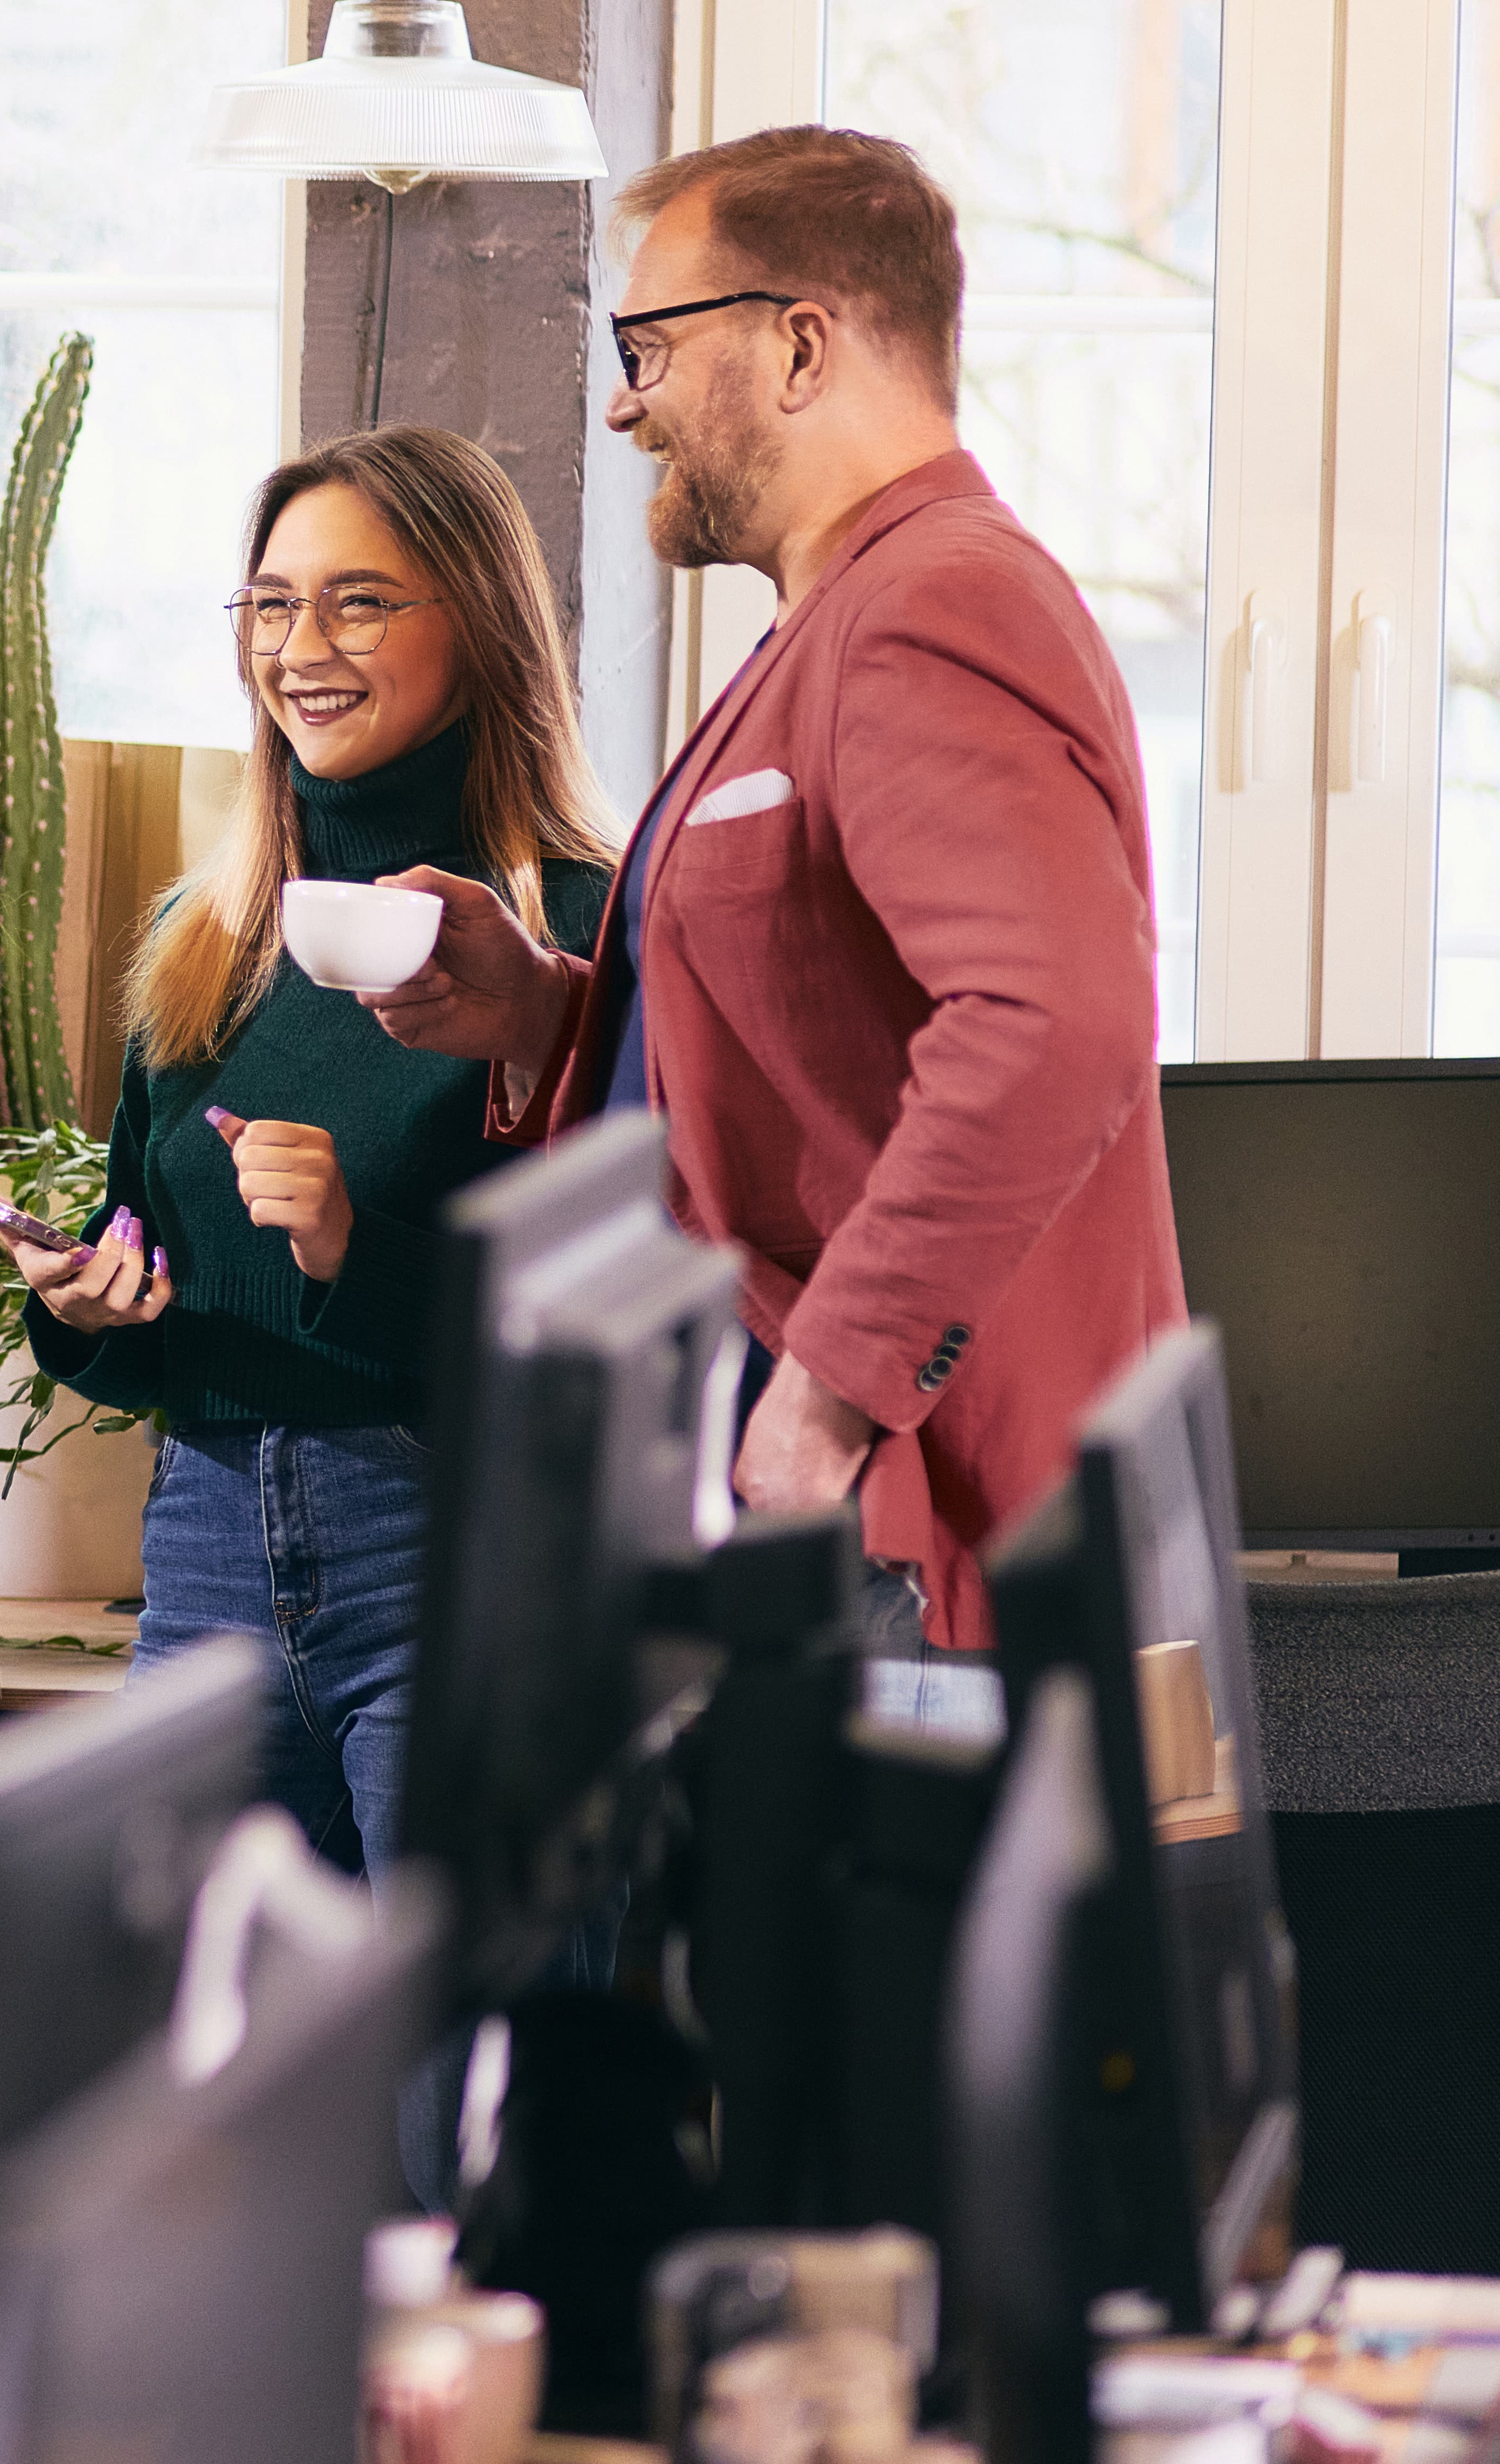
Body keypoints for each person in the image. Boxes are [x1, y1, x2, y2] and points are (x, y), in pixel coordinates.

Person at [360, 126, 1182, 1651]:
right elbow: (802, 1038)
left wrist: (829, 1394)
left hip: (893, 1528)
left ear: (800, 344)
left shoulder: (936, 603)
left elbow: (1055, 1025)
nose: (624, 401)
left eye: (650, 344)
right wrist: (544, 1017)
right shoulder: (841, 613)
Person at [10, 425, 614, 1890]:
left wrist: (359, 1258)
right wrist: (87, 1304)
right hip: (209, 1542)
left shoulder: (579, 942)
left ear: (475, 620)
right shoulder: (204, 942)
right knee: (205, 2075)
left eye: (358, 600)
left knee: (456, 2088)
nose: (302, 647)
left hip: (460, 1545)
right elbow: (157, 1284)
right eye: (273, 605)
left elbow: (614, 1338)